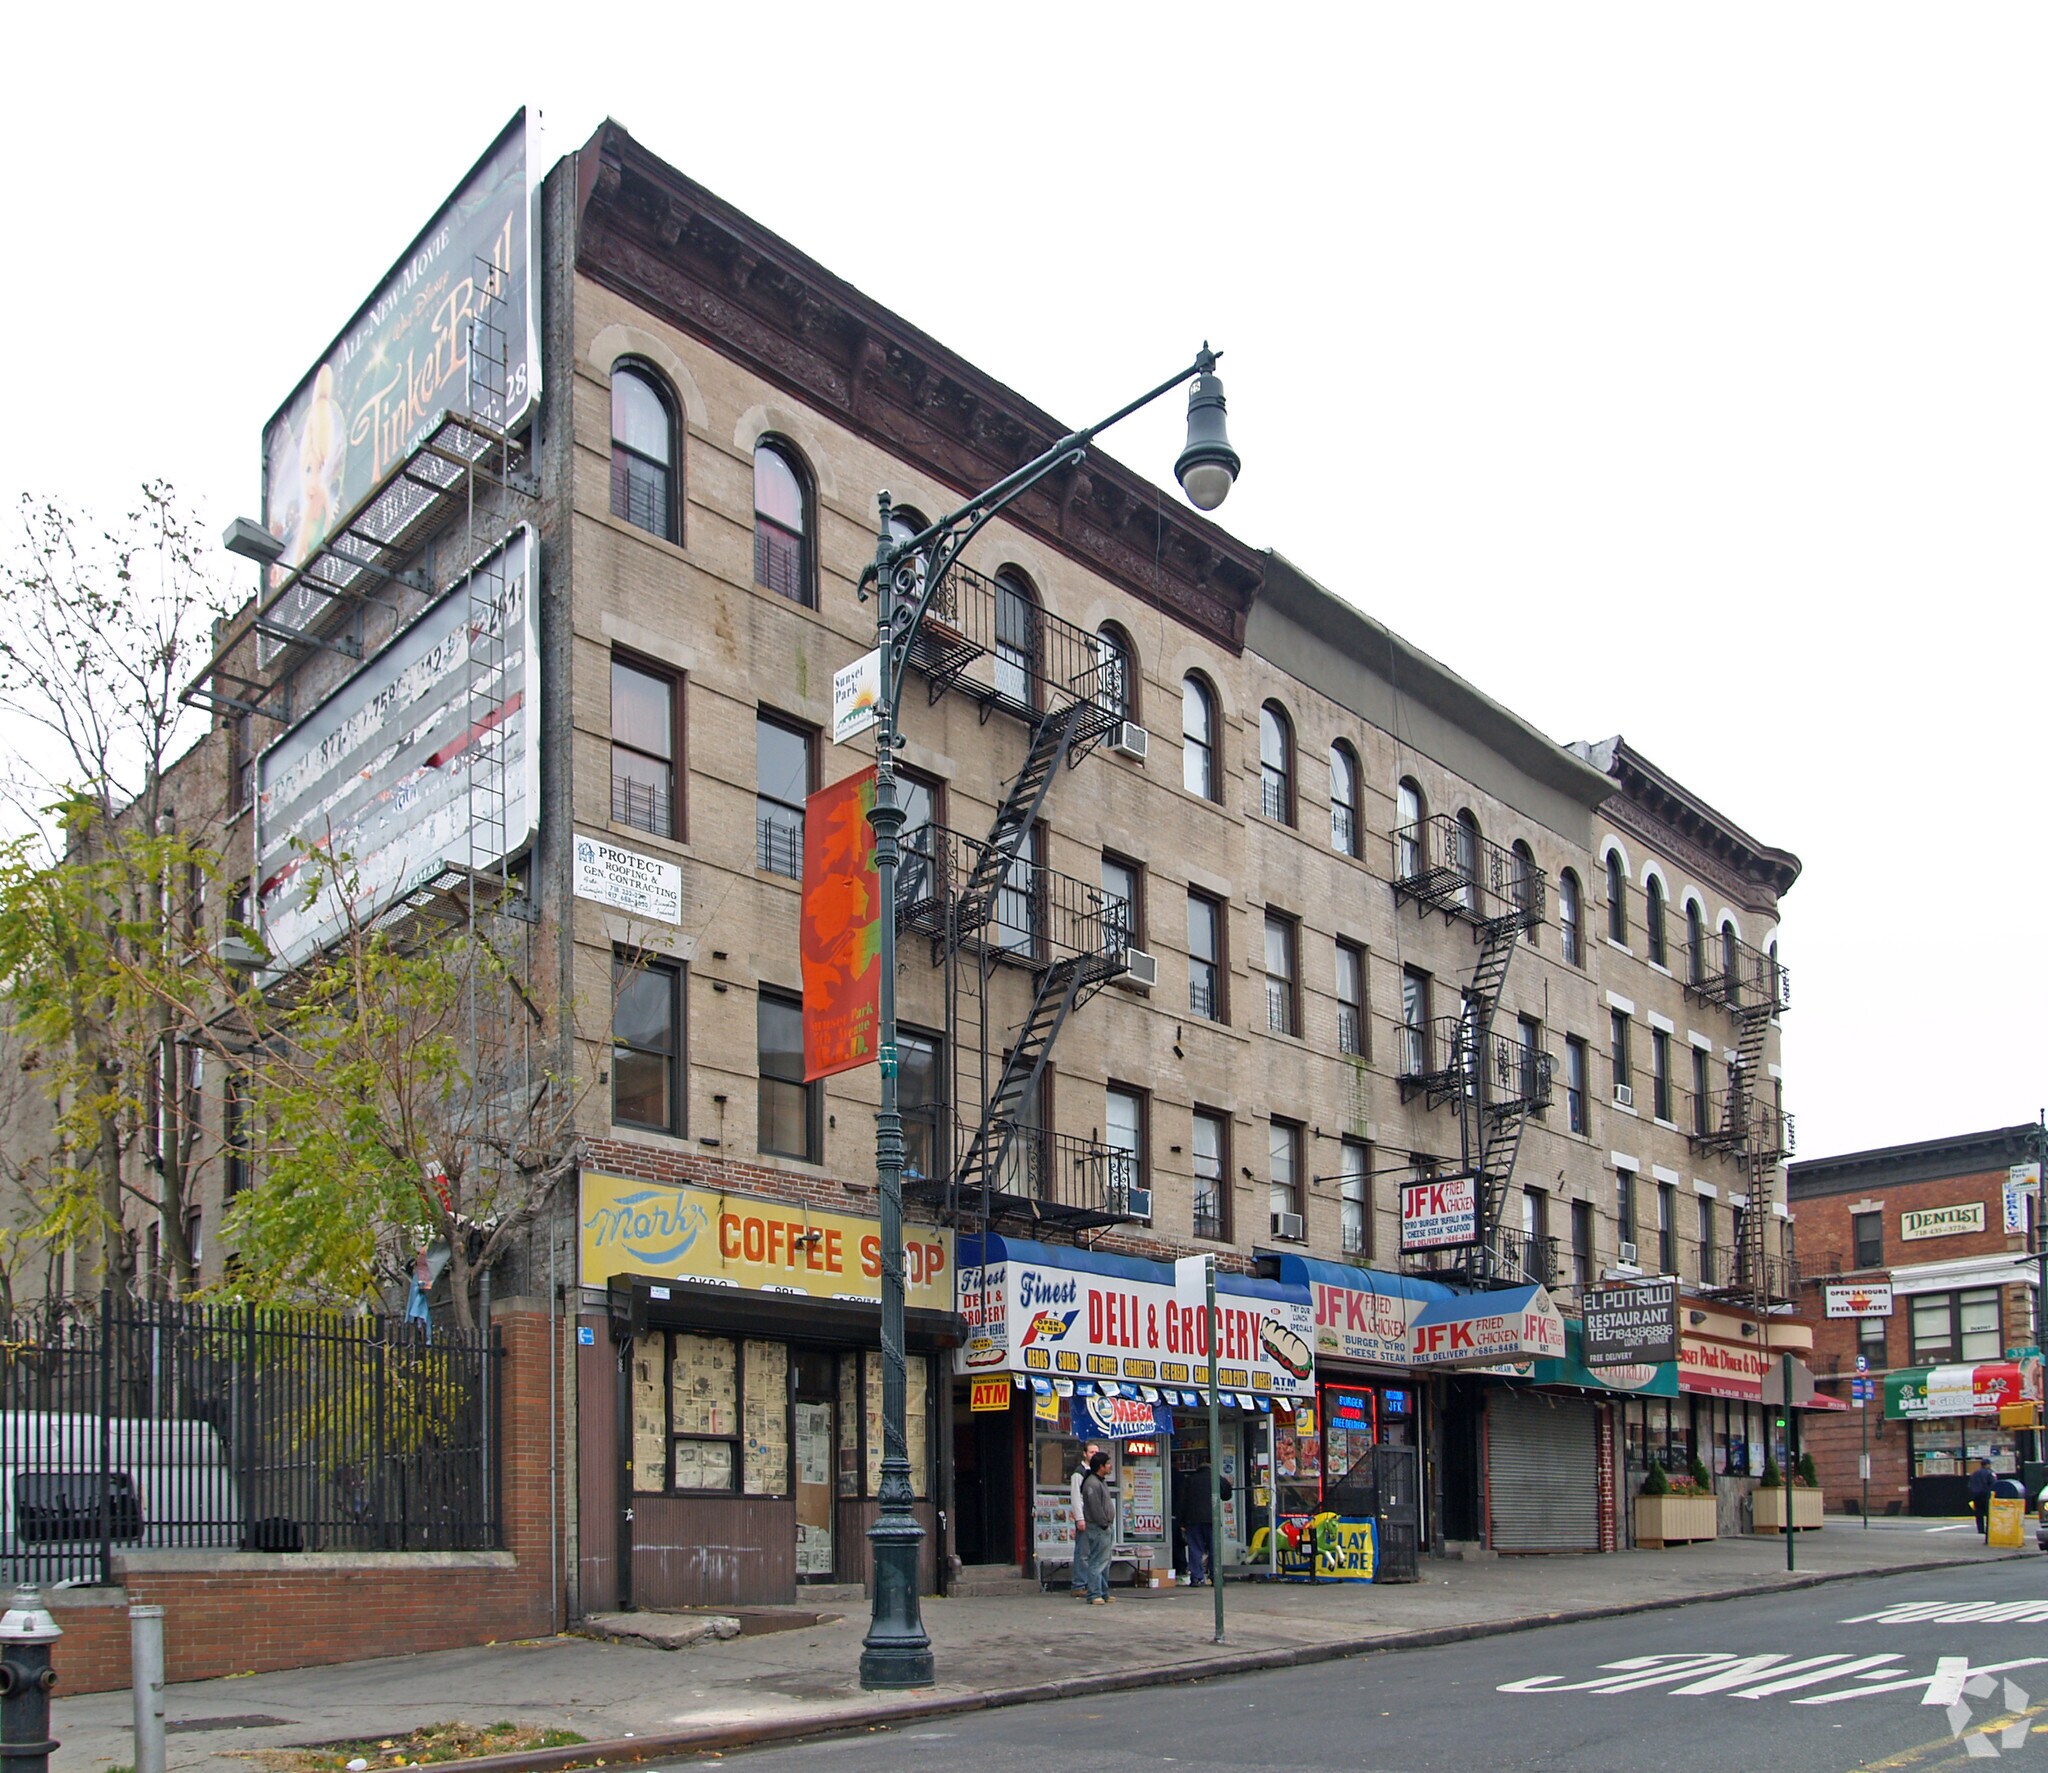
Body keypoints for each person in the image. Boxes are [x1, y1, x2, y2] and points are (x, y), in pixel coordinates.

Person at [1179, 1456, 1233, 1587]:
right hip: (1212, 1518)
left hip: (1193, 1520)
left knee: (1195, 1549)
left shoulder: (1190, 1480)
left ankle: (1197, 1578)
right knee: (1214, 1549)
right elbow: (1227, 1494)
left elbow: (1182, 1501)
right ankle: (1215, 1577)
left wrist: (1182, 1522)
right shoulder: (1216, 1478)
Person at [1079, 1450, 1116, 1605]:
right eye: (1107, 1463)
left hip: (1104, 1526)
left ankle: (1103, 1592)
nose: (1110, 1466)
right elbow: (1095, 1508)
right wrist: (1104, 1524)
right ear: (1101, 1466)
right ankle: (1094, 1593)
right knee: (1097, 1562)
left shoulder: (1100, 1481)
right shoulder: (1092, 1483)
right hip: (1098, 1527)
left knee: (1104, 1561)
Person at [1070, 1442, 1101, 1598]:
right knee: (1083, 1552)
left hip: (1095, 1519)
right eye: (1091, 1452)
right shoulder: (1079, 1473)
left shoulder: (1096, 1473)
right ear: (1084, 1454)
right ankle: (1079, 1584)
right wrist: (1079, 1518)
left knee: (1094, 1553)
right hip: (1085, 1518)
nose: (1094, 1454)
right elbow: (1076, 1497)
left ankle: (1091, 1584)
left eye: (1096, 1452)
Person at [1968, 1457, 1995, 1537]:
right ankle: (1988, 1529)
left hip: (1976, 1495)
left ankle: (1980, 1529)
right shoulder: (1990, 1473)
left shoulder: (1975, 1473)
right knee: (1989, 1513)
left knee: (1978, 1513)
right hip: (1986, 1495)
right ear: (1987, 1465)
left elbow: (1970, 1484)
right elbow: (1993, 1484)